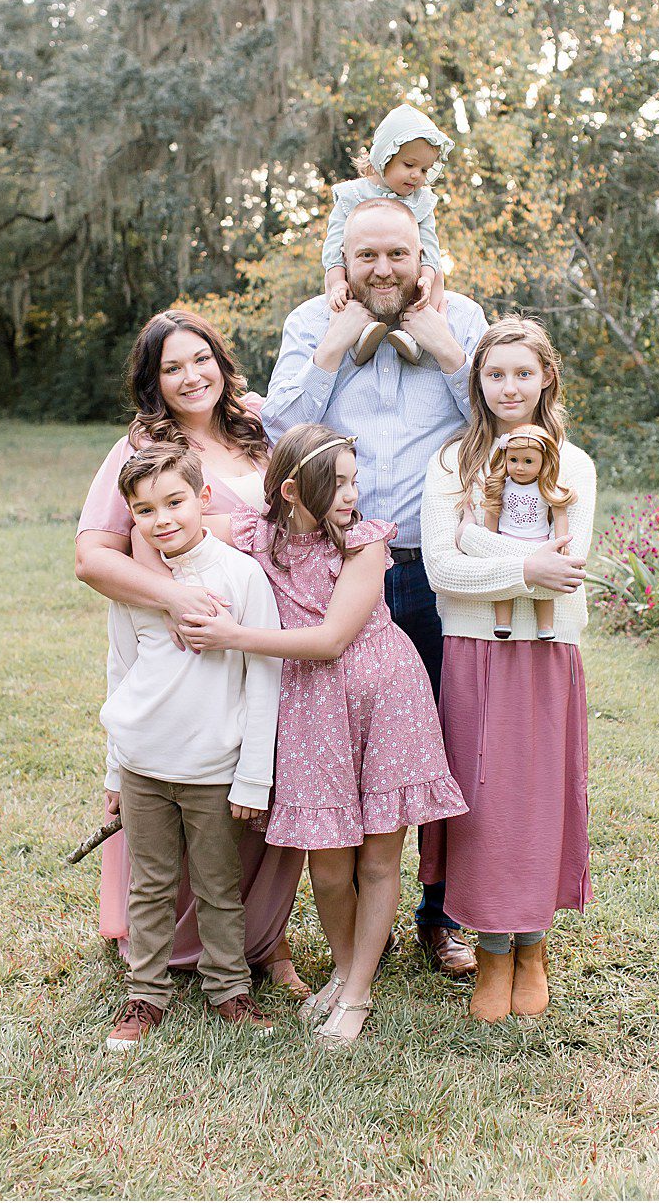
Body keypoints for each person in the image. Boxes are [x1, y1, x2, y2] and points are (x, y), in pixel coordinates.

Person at [262, 199, 488, 979]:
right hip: (330, 572)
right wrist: (327, 353)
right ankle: (363, 924)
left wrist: (448, 353)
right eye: (367, 257)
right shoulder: (306, 323)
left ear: (422, 252)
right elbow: (277, 435)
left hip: (432, 568)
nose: (383, 269)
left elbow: (500, 421)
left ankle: (443, 916)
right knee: (340, 744)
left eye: (397, 253)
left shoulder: (461, 316)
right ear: (344, 262)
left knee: (445, 743)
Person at [186, 424, 468, 1045]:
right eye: (335, 482)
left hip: (384, 701)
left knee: (377, 857)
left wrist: (234, 637)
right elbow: (165, 534)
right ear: (290, 489)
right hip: (313, 715)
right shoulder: (255, 539)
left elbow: (330, 639)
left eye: (353, 480)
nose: (350, 494)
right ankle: (345, 972)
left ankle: (359, 997)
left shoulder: (363, 545)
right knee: (330, 865)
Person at [75, 309, 306, 996]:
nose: (190, 376)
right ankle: (174, 951)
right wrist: (173, 599)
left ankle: (266, 939)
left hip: (276, 634)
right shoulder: (143, 450)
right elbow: (92, 558)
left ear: (221, 360)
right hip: (197, 641)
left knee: (264, 791)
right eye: (171, 367)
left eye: (200, 359)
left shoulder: (261, 426)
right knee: (203, 792)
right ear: (152, 381)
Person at [420, 315, 596, 1024]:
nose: (509, 387)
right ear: (478, 382)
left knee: (540, 798)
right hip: (473, 650)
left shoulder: (572, 464)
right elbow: (442, 570)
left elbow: (568, 571)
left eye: (523, 372)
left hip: (549, 653)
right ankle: (493, 950)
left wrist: (489, 560)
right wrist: (523, 564)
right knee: (485, 802)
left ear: (546, 377)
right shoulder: (451, 463)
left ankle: (533, 947)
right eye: (496, 374)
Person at [102, 443, 283, 1047]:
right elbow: (120, 670)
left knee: (216, 884)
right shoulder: (139, 586)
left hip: (213, 768)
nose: (163, 520)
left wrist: (254, 775)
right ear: (132, 518)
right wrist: (112, 774)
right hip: (143, 764)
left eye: (175, 502)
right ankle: (145, 995)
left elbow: (264, 675)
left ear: (204, 500)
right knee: (149, 884)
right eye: (145, 510)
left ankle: (229, 988)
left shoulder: (241, 575)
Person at [322, 104, 454, 364]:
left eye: (425, 170)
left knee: (436, 274)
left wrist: (426, 277)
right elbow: (334, 245)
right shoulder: (352, 196)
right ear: (384, 156)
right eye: (409, 165)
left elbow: (429, 246)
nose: (417, 175)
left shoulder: (421, 202)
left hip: (407, 285)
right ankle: (356, 337)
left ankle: (416, 336)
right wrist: (338, 281)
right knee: (339, 280)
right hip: (357, 282)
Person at [479, 426, 575, 640]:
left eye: (528, 461)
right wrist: (487, 538)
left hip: (538, 544)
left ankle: (545, 625)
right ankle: (502, 622)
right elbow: (492, 512)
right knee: (503, 582)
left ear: (543, 463)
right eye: (513, 460)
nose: (519, 467)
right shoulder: (502, 486)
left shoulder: (546, 488)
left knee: (544, 586)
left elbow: (560, 515)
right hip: (505, 542)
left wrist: (561, 542)